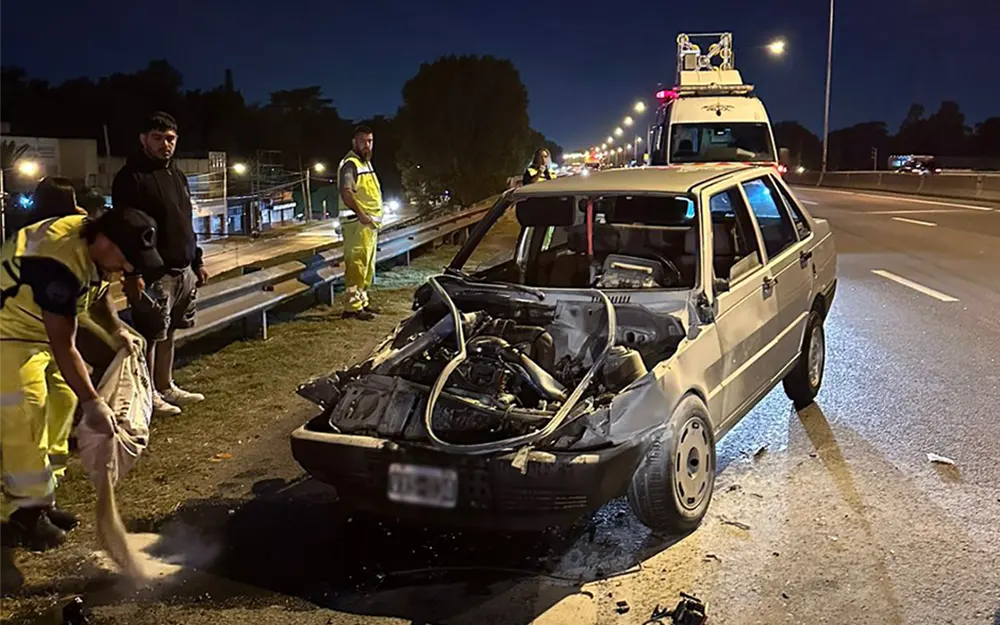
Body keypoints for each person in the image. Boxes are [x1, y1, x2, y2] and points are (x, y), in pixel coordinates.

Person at [0, 209, 163, 550]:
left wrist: (117, 330)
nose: (129, 269)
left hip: (36, 327)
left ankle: (45, 499)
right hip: (7, 332)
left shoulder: (94, 245)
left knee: (62, 399)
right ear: (106, 240)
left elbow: (98, 294)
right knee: (26, 409)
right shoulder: (57, 264)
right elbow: (64, 343)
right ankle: (22, 513)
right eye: (126, 259)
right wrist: (94, 402)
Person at [113, 111, 208, 417]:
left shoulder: (177, 176)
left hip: (184, 270)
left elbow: (186, 221)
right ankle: (148, 394)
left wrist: (198, 260)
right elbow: (126, 228)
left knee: (170, 332)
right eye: (158, 138)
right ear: (143, 139)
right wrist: (134, 271)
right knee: (150, 335)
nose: (165, 145)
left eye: (170, 139)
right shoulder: (130, 178)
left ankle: (165, 385)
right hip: (154, 273)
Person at [337, 125, 383, 321]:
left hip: (368, 225)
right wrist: (362, 213)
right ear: (354, 142)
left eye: (370, 141)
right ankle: (352, 308)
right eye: (364, 141)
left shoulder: (365, 163)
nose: (368, 145)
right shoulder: (351, 164)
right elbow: (346, 192)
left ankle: (362, 302)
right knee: (356, 266)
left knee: (367, 266)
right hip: (356, 223)